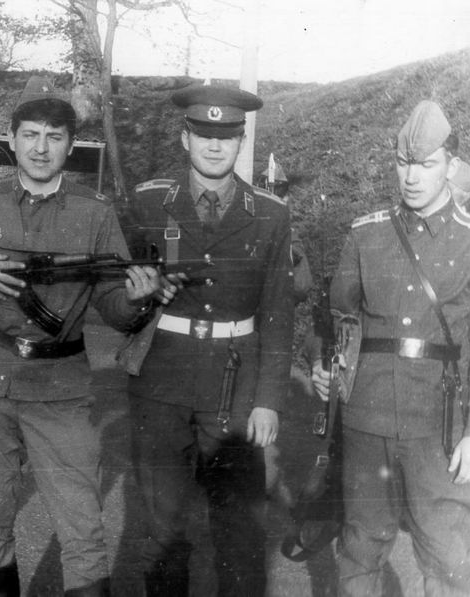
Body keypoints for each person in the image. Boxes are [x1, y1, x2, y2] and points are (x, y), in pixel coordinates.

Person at [0, 76, 167, 597]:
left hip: (61, 392)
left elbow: (115, 308)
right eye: (31, 135)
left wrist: (138, 299)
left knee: (83, 532)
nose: (41, 148)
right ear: (12, 140)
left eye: (54, 137)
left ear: (70, 144)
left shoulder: (95, 213)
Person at [310, 100, 470, 595]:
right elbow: (337, 320)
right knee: (359, 551)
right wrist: (323, 364)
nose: (412, 177)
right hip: (366, 420)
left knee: (446, 559)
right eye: (403, 163)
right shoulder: (366, 235)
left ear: (451, 165)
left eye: (426, 164)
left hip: (439, 428)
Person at [121, 84, 295, 596]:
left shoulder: (271, 213)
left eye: (227, 136)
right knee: (162, 528)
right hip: (163, 377)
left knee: (239, 528)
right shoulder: (149, 202)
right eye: (203, 134)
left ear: (242, 141)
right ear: (185, 138)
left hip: (235, 384)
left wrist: (268, 400)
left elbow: (278, 314)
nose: (215, 146)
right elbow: (117, 291)